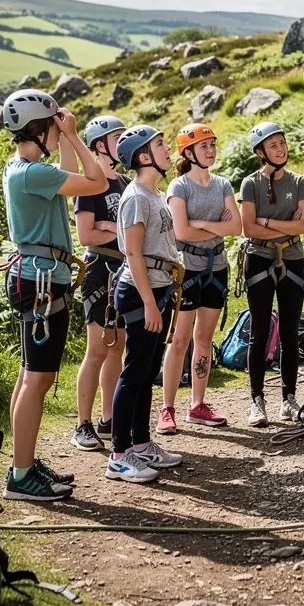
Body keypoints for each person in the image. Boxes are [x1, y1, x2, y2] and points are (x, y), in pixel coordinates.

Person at [1, 90, 108, 501]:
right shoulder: (32, 174)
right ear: (38, 128)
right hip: (42, 281)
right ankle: (21, 476)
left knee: (30, 375)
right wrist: (76, 137)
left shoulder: (22, 169)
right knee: (38, 378)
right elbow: (95, 181)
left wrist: (60, 140)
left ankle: (21, 465)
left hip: (36, 277)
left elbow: (64, 176)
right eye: (51, 126)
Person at [106, 125, 184, 484]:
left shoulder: (155, 194)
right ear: (143, 157)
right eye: (160, 145)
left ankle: (140, 445)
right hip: (141, 292)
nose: (168, 150)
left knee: (146, 371)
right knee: (134, 372)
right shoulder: (136, 197)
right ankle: (119, 455)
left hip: (158, 287)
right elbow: (133, 253)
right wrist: (151, 304)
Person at [158, 124, 241, 434]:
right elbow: (181, 232)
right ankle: (167, 409)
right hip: (188, 269)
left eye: (212, 144)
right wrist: (216, 225)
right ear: (188, 153)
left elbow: (237, 228)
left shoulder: (222, 184)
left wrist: (201, 223)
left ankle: (197, 405)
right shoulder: (179, 187)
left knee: (203, 339)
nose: (210, 150)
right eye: (204, 146)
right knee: (179, 340)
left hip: (217, 267)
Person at [240, 121, 304, 428]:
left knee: (289, 333)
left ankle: (288, 399)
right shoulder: (250, 184)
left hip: (292, 258)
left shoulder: (299, 182)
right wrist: (285, 224)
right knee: (259, 333)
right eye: (273, 145)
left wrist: (267, 223)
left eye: (282, 143)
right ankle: (257, 401)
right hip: (259, 259)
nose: (281, 149)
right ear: (261, 152)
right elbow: (247, 227)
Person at [70, 115, 128, 453]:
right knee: (97, 350)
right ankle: (83, 423)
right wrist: (113, 229)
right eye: (116, 137)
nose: (122, 143)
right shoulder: (89, 185)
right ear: (99, 145)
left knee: (117, 348)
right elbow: (85, 234)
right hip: (99, 270)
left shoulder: (123, 182)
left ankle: (108, 418)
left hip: (124, 269)